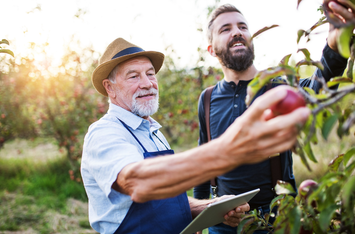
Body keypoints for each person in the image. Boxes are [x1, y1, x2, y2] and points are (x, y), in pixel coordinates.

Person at [80, 37, 310, 234]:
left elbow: (165, 200)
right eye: (133, 76)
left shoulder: (153, 132)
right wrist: (228, 150)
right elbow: (138, 183)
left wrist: (210, 207)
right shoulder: (104, 133)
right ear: (109, 88)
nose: (148, 83)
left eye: (150, 74)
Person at [193, 2, 355, 234]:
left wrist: (333, 45)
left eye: (243, 27)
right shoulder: (207, 98)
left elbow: (316, 88)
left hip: (274, 220)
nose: (237, 32)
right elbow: (203, 160)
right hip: (222, 223)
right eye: (226, 29)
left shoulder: (276, 89)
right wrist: (199, 218)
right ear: (211, 50)